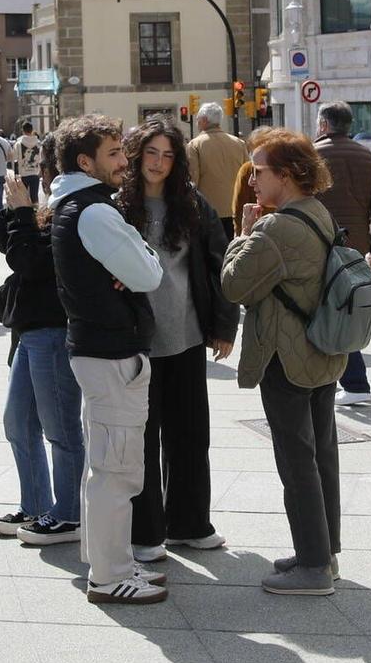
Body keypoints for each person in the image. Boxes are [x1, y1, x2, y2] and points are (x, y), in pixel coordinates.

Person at [47, 113, 167, 605]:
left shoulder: (76, 205)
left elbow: (136, 271)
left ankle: (107, 562)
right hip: (111, 352)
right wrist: (139, 253)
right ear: (86, 161)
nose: (125, 162)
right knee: (116, 470)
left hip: (100, 349)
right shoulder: (94, 212)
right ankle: (110, 573)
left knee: (108, 464)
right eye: (114, 154)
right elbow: (150, 275)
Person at [222, 130, 346, 595]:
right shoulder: (318, 213)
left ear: (287, 174)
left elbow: (234, 286)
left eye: (259, 170)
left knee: (297, 462)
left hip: (285, 358)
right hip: (321, 352)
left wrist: (243, 235)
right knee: (321, 455)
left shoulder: (276, 228)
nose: (252, 179)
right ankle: (323, 552)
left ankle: (313, 568)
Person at [117, 119, 236, 560]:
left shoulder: (192, 203)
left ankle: (189, 523)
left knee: (189, 435)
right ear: (137, 154)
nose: (159, 163)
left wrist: (224, 326)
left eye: (168, 155)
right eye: (151, 153)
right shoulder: (118, 206)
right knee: (144, 439)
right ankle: (147, 532)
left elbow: (218, 263)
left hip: (185, 336)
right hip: (137, 342)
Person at [0, 136, 86, 547]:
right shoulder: (49, 204)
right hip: (29, 330)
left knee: (60, 429)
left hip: (52, 328)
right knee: (18, 423)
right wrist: (15, 212)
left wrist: (22, 214)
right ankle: (35, 504)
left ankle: (68, 514)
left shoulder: (74, 208)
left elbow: (30, 262)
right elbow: (8, 246)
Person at [312, 102, 371, 406]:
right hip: (355, 245)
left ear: (324, 125)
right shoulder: (366, 155)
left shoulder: (313, 154)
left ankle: (352, 381)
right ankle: (351, 380)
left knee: (324, 309)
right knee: (345, 308)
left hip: (320, 242)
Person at [186, 102, 247, 237]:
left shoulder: (195, 145)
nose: (197, 123)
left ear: (204, 120)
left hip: (208, 211)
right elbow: (247, 175)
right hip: (236, 209)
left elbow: (192, 179)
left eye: (198, 120)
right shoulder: (239, 143)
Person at [12, 120, 43, 202]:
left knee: (23, 197)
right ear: (32, 130)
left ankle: (26, 213)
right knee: (34, 197)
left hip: (23, 173)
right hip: (35, 173)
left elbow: (14, 158)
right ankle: (36, 213)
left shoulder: (18, 144)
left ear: (23, 130)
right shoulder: (39, 143)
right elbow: (41, 157)